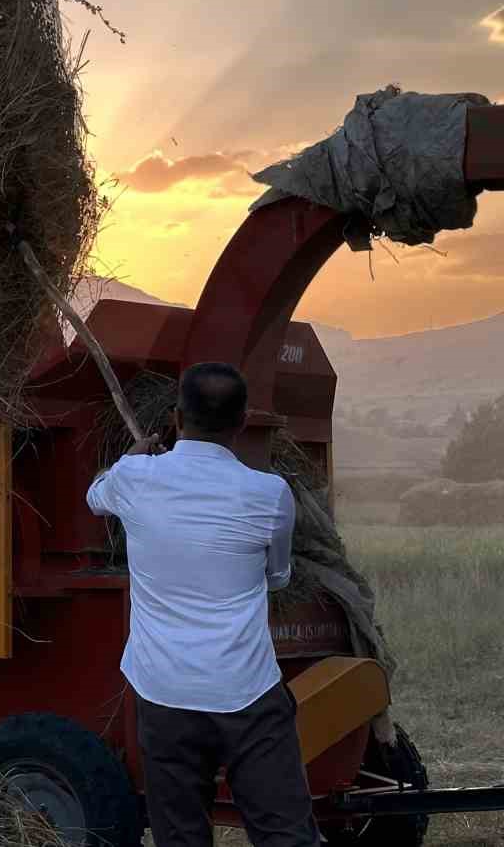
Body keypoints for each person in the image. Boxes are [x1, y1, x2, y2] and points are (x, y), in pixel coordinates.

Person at [87, 362, 317, 847]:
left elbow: (94, 497)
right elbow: (277, 578)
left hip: (163, 693)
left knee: (182, 838)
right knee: (285, 835)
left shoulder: (134, 477)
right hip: (247, 693)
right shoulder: (271, 494)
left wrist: (130, 459)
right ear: (240, 423)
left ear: (175, 418)